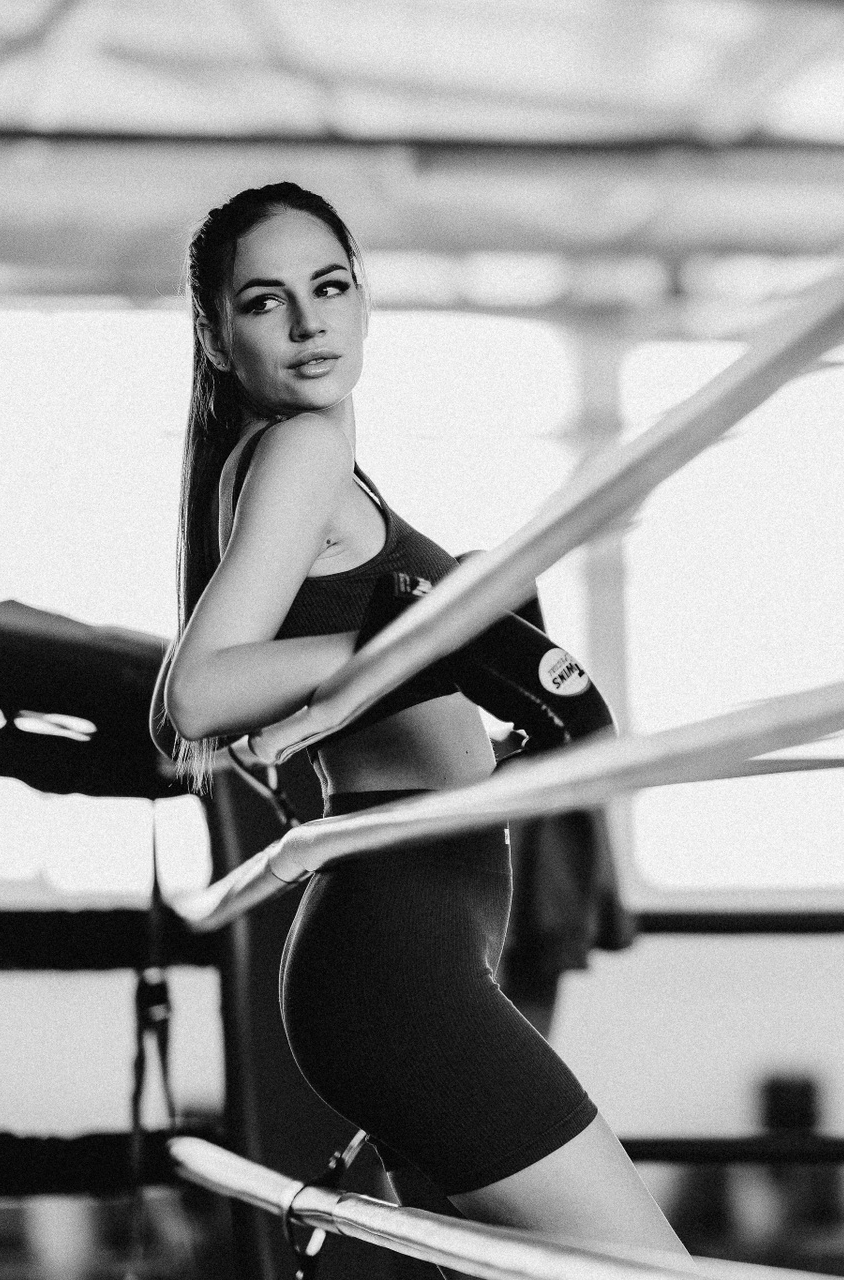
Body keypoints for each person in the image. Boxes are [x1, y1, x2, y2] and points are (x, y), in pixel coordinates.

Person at [152, 182, 685, 1256]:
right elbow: (194, 698)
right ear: (214, 335)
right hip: (399, 962)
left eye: (329, 287)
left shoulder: (305, 461)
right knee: (650, 1270)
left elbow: (382, 670)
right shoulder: (301, 450)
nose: (308, 324)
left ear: (363, 299)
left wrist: (444, 649)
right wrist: (438, 639)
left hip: (411, 945)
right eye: (264, 301)